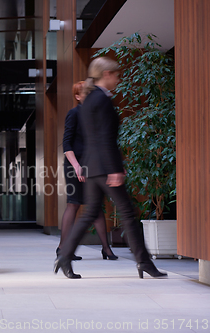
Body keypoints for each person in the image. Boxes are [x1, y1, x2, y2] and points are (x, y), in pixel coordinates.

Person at [54, 57, 167, 279]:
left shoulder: (89, 100)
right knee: (127, 212)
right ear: (106, 75)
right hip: (104, 167)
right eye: (116, 74)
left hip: (92, 166)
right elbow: (105, 137)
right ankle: (144, 262)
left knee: (89, 215)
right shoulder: (102, 100)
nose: (118, 78)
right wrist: (115, 168)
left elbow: (94, 137)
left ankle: (65, 256)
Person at [57, 81, 117, 261]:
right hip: (74, 165)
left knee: (95, 206)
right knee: (74, 203)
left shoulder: (93, 114)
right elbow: (67, 144)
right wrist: (76, 166)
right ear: (77, 96)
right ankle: (63, 249)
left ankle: (106, 249)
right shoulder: (74, 113)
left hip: (92, 165)